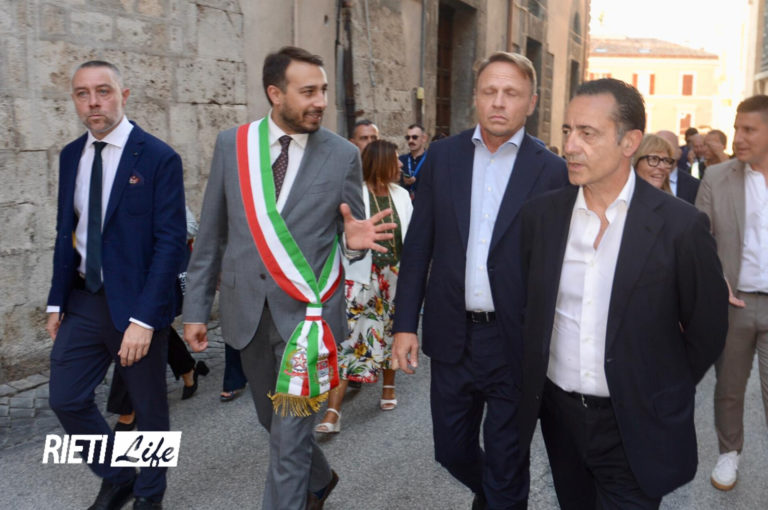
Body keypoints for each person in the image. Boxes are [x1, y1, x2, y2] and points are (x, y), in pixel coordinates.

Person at [182, 46, 395, 510]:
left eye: (324, 91)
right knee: (271, 421)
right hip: (247, 314)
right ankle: (320, 479)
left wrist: (352, 243)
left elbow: (350, 235)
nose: (321, 102)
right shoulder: (232, 146)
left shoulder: (342, 155)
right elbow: (212, 233)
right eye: (308, 91)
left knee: (288, 437)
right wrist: (195, 310)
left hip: (307, 321)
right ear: (275, 93)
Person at [518, 78, 728, 510]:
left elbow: (707, 329)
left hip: (637, 424)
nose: (570, 146)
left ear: (629, 141)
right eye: (567, 131)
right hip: (560, 420)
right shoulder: (542, 217)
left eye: (587, 133)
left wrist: (661, 388)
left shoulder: (681, 226)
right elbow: (528, 308)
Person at [392, 51, 568, 509]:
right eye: (490, 91)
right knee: (451, 451)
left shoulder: (552, 171)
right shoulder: (443, 157)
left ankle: (501, 498)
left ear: (531, 102)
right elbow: (419, 247)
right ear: (476, 97)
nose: (499, 102)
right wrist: (404, 324)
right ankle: (494, 497)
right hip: (452, 333)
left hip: (514, 342)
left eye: (511, 93)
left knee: (508, 461)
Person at [45, 60, 187, 510]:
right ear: (75, 100)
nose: (93, 102)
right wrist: (55, 301)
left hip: (138, 305)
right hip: (84, 298)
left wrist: (144, 320)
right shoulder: (71, 155)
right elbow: (67, 232)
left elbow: (170, 244)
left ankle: (150, 494)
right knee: (66, 397)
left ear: (123, 95)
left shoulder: (159, 157)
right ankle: (119, 474)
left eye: (103, 91)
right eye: (82, 93)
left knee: (148, 407)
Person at [696, 95, 768, 492]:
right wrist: (715, 279)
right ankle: (729, 453)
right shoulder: (716, 177)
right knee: (728, 387)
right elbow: (699, 239)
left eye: (749, 130)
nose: (738, 137)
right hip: (733, 301)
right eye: (737, 128)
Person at [315, 140, 413, 433]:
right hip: (360, 279)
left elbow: (412, 237)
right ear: (381, 163)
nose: (400, 164)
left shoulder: (402, 195)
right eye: (395, 159)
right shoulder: (353, 195)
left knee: (392, 332)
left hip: (395, 278)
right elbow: (338, 238)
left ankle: (388, 387)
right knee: (348, 342)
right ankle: (332, 412)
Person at [108, 206, 209, 431]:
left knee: (134, 333)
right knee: (154, 328)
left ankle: (127, 409)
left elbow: (190, 227)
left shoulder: (160, 188)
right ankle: (187, 368)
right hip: (121, 275)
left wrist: (152, 237)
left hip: (154, 274)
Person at [656, 130, 700, 204]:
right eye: (657, 148)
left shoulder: (695, 186)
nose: (663, 154)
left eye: (668, 148)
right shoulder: (641, 182)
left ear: (679, 152)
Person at [398, 123, 428, 195]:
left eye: (414, 137)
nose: (410, 140)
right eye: (408, 137)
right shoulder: (400, 160)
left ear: (424, 138)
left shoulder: (431, 160)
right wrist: (402, 181)